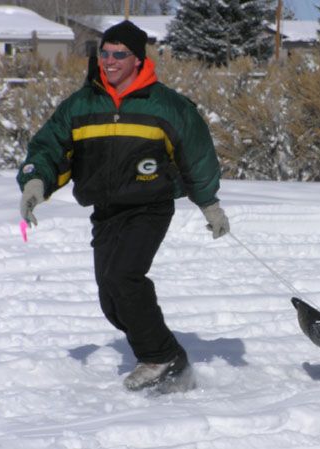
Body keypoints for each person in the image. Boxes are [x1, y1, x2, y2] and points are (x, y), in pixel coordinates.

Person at [17, 20, 230, 391]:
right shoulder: (82, 104)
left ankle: (159, 356)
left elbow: (197, 156)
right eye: (105, 52)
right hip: (106, 211)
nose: (110, 60)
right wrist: (36, 182)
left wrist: (209, 204)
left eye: (120, 54)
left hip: (150, 207)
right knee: (111, 299)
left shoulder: (167, 106)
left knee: (124, 278)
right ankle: (169, 358)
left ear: (137, 59)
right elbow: (50, 148)